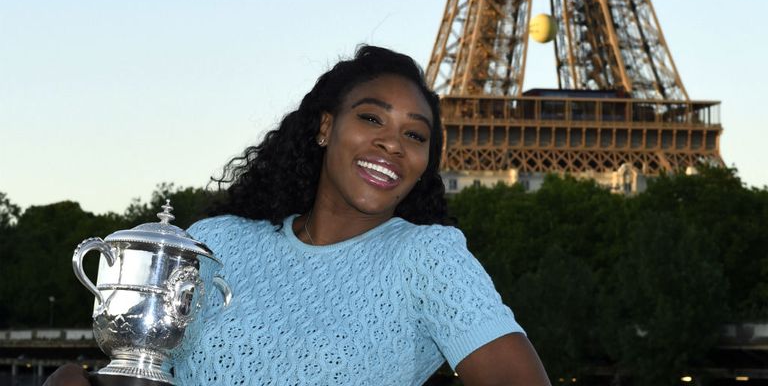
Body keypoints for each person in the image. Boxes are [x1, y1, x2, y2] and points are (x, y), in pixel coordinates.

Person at [45, 45, 550, 386]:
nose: (392, 143)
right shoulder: (215, 242)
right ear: (325, 127)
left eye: (415, 135)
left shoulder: (428, 257)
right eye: (371, 118)